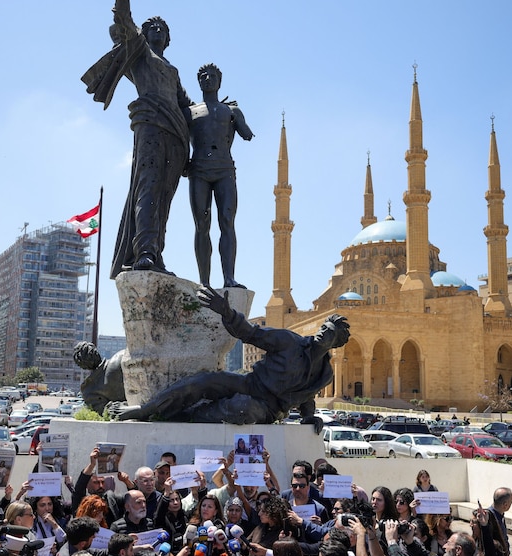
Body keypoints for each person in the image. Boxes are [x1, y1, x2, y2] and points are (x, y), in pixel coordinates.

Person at [114, 286, 350, 425]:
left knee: (242, 408)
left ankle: (185, 417)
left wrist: (309, 416)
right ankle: (147, 410)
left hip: (268, 408)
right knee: (205, 380)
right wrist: (226, 312)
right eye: (323, 328)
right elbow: (250, 333)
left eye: (329, 334)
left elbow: (305, 396)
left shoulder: (325, 374)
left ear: (335, 344)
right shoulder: (289, 341)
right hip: (249, 383)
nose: (322, 334)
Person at [82, 0, 192, 278]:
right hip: (151, 126)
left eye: (163, 28)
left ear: (169, 39)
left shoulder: (173, 71)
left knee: (164, 198)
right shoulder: (140, 52)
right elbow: (123, 20)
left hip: (177, 134)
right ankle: (143, 251)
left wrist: (219, 111)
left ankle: (156, 253)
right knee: (149, 190)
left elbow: (187, 106)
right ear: (144, 33)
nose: (158, 30)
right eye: (152, 26)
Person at [187, 63, 254, 288]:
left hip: (225, 169)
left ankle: (228, 278)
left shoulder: (231, 110)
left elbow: (247, 134)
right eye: (203, 76)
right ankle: (204, 282)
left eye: (212, 75)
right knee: (201, 224)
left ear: (219, 81)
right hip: (199, 169)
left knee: (227, 221)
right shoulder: (191, 111)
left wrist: (238, 119)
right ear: (199, 82)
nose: (208, 78)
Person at [73, 342, 127, 415]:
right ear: (96, 352)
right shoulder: (121, 356)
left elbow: (109, 413)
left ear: (81, 365)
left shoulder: (89, 390)